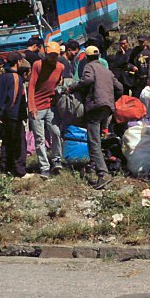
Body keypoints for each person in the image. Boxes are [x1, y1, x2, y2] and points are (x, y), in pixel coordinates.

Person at [70, 45, 123, 190]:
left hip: (95, 107)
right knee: (98, 138)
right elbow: (120, 88)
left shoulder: (89, 67)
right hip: (107, 108)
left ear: (87, 58)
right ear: (99, 56)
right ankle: (93, 166)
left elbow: (87, 81)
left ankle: (102, 174)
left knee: (93, 141)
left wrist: (73, 88)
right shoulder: (107, 70)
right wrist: (111, 100)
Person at [28, 41, 65, 177]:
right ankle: (44, 167)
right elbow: (31, 86)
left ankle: (56, 160)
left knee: (56, 132)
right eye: (50, 55)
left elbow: (58, 82)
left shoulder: (60, 67)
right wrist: (32, 106)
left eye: (55, 56)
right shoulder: (38, 65)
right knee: (40, 139)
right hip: (37, 106)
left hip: (50, 106)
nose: (52, 58)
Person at [0, 52, 28, 178]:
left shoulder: (2, 76)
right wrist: (13, 113)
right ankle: (20, 171)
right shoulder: (15, 77)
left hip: (3, 115)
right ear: (18, 62)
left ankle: (4, 169)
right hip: (13, 115)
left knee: (6, 143)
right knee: (19, 143)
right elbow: (12, 98)